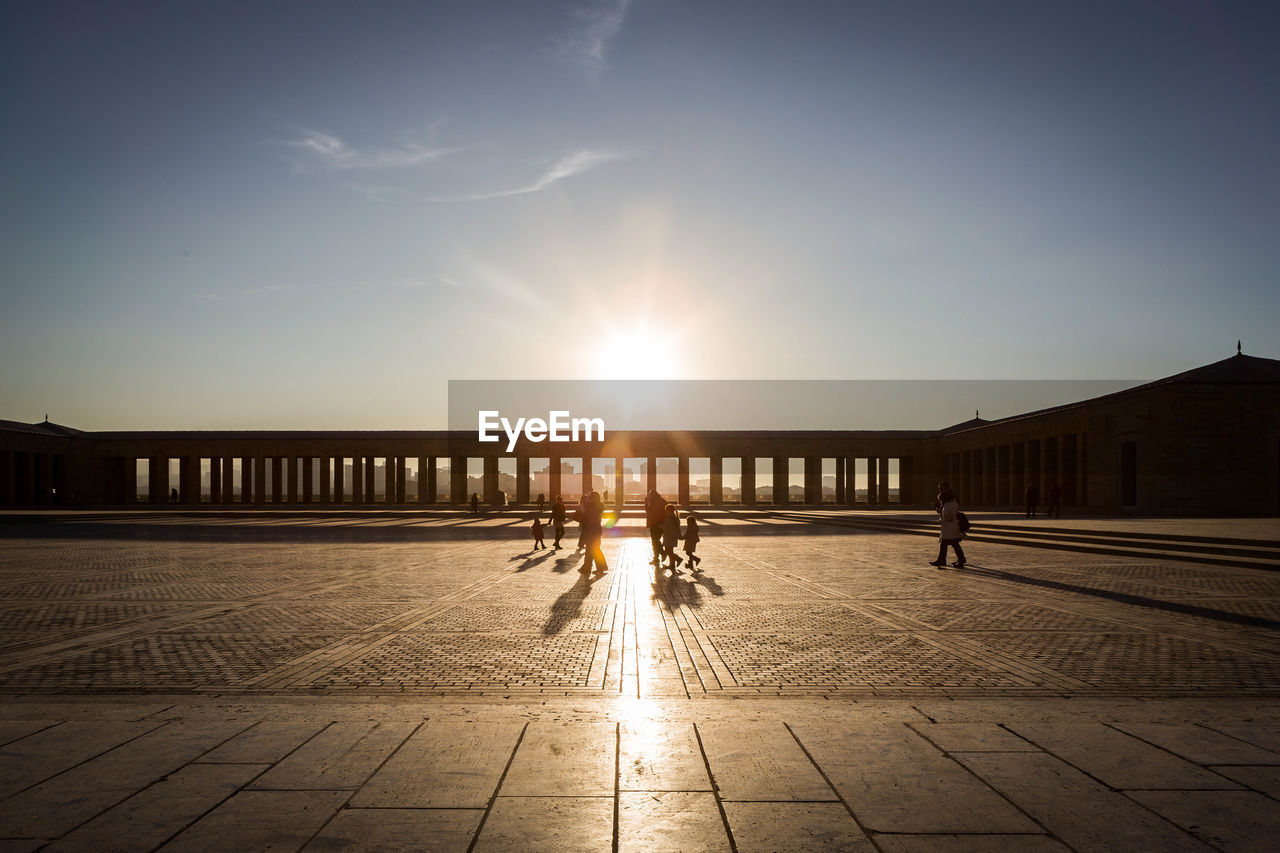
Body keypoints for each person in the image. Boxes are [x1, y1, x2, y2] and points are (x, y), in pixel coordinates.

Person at [930, 483, 966, 569]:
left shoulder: (947, 504)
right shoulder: (953, 502)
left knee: (947, 544)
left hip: (949, 527)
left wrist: (942, 513)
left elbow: (946, 515)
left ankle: (946, 560)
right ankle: (958, 560)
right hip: (952, 527)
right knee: (953, 543)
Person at [579, 491, 608, 574]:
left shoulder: (590, 507)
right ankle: (589, 567)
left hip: (591, 530)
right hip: (596, 530)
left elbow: (587, 518)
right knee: (592, 549)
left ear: (593, 498)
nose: (588, 498)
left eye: (590, 497)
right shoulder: (597, 507)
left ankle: (599, 567)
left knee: (593, 549)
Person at [645, 488, 667, 566]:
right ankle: (656, 558)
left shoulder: (653, 502)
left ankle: (661, 554)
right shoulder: (662, 501)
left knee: (655, 541)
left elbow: (649, 512)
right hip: (659, 524)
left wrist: (646, 503)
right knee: (656, 541)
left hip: (655, 524)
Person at [662, 503, 683, 570]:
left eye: (666, 510)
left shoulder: (669, 518)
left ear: (668, 510)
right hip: (673, 536)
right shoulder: (675, 517)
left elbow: (668, 527)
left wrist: (659, 526)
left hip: (669, 536)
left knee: (668, 551)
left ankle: (677, 559)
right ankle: (672, 564)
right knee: (669, 551)